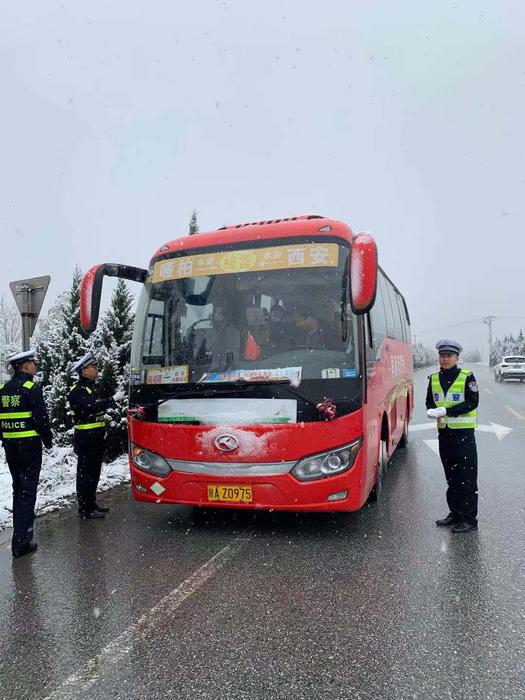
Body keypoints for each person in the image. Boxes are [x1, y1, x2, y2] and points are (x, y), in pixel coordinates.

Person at [0, 350, 53, 558]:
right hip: (29, 448)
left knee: (18, 490)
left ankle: (21, 535)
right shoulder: (31, 388)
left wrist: (6, 439)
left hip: (12, 448)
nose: (36, 365)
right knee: (27, 493)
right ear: (24, 366)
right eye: (33, 362)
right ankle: (21, 543)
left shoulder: (3, 389)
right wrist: (48, 440)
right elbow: (41, 418)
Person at [426, 339, 479, 533]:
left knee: (467, 478)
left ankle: (470, 520)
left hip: (464, 436)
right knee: (452, 477)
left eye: (449, 356)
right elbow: (430, 402)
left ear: (457, 358)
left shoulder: (467, 377)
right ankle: (455, 513)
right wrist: (431, 411)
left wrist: (447, 412)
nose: (445, 359)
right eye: (442, 355)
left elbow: (473, 402)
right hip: (445, 436)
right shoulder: (433, 378)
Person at [68, 352, 124, 519]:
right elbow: (91, 408)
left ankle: (91, 503)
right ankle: (85, 508)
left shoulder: (89, 388)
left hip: (95, 437)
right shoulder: (77, 390)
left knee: (94, 473)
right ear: (84, 371)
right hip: (86, 438)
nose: (97, 369)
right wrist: (112, 399)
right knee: (85, 474)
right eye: (93, 367)